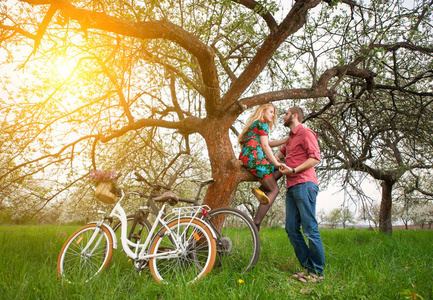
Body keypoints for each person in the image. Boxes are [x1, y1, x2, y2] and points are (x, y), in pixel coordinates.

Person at [276, 106, 325, 283]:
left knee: (310, 229)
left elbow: (315, 158)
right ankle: (308, 268)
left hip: (305, 184)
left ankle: (318, 273)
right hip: (292, 187)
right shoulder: (289, 140)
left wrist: (294, 169)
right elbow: (276, 156)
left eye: (286, 114)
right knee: (291, 229)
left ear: (295, 116)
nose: (284, 116)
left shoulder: (305, 133)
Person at [238, 103, 289, 231]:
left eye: (274, 113)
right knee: (274, 190)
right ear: (263, 111)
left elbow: (268, 143)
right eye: (271, 112)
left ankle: (261, 188)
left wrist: (286, 139)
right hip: (256, 159)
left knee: (284, 164)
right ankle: (256, 223)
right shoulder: (262, 123)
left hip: (249, 158)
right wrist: (276, 163)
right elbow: (265, 147)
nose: (273, 115)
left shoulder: (256, 124)